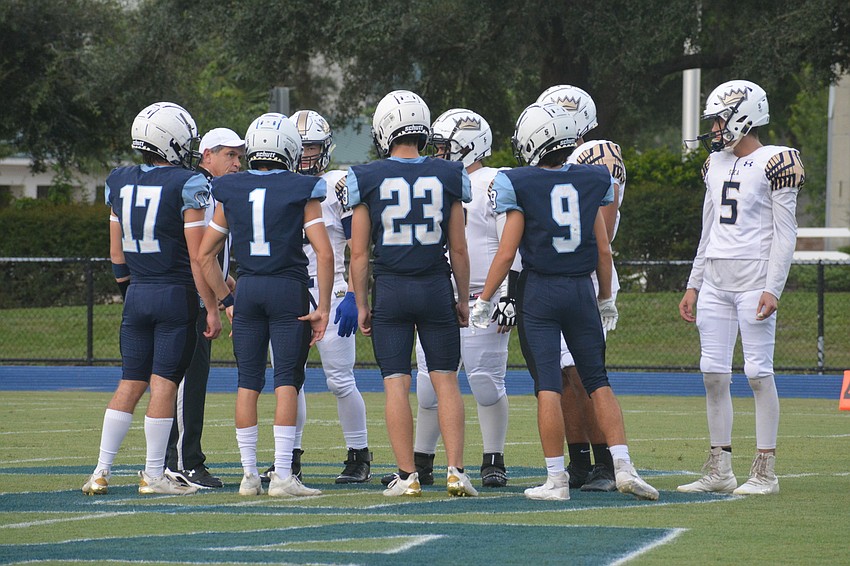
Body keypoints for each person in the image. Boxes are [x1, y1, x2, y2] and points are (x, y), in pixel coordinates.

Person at [470, 102, 658, 502]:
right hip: (581, 291)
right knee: (598, 381)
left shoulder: (517, 181)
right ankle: (624, 466)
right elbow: (603, 250)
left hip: (540, 291)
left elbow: (507, 252)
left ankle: (557, 479)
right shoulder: (593, 178)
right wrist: (605, 298)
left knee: (548, 387)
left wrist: (486, 298)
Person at [82, 101, 221, 496]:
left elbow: (116, 254)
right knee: (164, 385)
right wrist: (212, 306)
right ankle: (154, 474)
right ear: (171, 142)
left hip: (138, 293)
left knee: (129, 382)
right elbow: (197, 257)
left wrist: (130, 291)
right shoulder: (188, 183)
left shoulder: (119, 180)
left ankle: (100, 472)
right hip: (175, 294)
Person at [346, 90, 478, 497]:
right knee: (446, 381)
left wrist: (361, 303)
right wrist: (462, 298)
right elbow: (458, 249)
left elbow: (359, 253)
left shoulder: (365, 176)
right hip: (435, 285)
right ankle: (456, 471)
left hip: (391, 289)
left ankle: (407, 476)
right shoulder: (449, 173)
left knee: (395, 384)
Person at [196, 112, 333, 497]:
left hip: (250, 289)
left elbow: (205, 255)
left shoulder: (231, 188)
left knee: (248, 382)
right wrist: (323, 307)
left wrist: (228, 300)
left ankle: (249, 475)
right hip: (288, 288)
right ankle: (283, 475)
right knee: (286, 380)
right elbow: (324, 253)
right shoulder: (302, 187)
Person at [678, 80, 803, 496]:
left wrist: (774, 287)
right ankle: (720, 469)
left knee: (757, 373)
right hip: (716, 281)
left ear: (744, 118)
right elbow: (708, 229)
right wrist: (694, 284)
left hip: (754, 280)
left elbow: (786, 233)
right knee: (713, 374)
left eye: (719, 120)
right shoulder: (714, 164)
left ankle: (765, 471)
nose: (714, 128)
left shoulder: (776, 160)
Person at [385, 108, 518, 488]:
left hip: (484, 294)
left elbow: (512, 241)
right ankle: (421, 460)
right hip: (442, 293)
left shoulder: (495, 181)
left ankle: (493, 458)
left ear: (469, 144)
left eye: (444, 146)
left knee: (485, 382)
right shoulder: (439, 178)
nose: (437, 152)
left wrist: (508, 293)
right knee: (429, 384)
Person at [261, 110, 373, 484]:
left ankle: (359, 454)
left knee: (339, 379)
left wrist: (355, 294)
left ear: (325, 149)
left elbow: (358, 246)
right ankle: (288, 457)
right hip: (288, 290)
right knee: (288, 380)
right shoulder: (277, 185)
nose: (306, 155)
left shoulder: (337, 184)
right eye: (301, 147)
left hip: (333, 289)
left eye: (312, 147)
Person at [538, 85, 627, 493]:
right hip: (556, 276)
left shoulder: (598, 154)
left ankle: (606, 463)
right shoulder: (555, 162)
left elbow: (602, 230)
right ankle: (578, 463)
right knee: (560, 377)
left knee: (582, 374)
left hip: (585, 276)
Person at [166, 127, 244, 489]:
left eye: (239, 156)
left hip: (198, 295)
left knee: (184, 384)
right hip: (193, 299)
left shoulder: (212, 190)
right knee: (188, 385)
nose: (237, 163)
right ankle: (185, 463)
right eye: (230, 155)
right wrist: (220, 300)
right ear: (207, 154)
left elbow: (212, 258)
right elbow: (199, 257)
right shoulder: (200, 189)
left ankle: (170, 461)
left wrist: (227, 284)